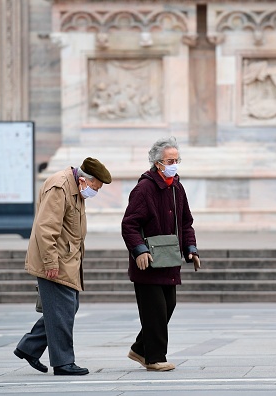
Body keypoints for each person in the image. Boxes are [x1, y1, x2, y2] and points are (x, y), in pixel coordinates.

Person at [14, 157, 112, 375]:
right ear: (87, 181)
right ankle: (63, 363)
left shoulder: (75, 185)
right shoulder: (60, 187)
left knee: (66, 308)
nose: (96, 191)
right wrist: (50, 262)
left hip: (67, 260)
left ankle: (29, 347)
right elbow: (46, 228)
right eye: (96, 187)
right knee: (62, 311)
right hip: (55, 261)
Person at [121, 137, 201, 372]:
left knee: (168, 305)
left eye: (177, 160)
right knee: (155, 310)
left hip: (169, 259)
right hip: (148, 261)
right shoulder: (144, 188)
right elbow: (129, 224)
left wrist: (191, 249)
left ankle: (139, 348)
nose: (174, 164)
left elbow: (186, 222)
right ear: (158, 163)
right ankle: (154, 358)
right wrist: (139, 250)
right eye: (170, 160)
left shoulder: (177, 187)